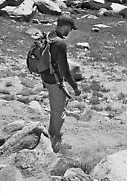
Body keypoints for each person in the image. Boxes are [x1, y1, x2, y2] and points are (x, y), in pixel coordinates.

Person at [39, 14, 82, 151]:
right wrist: (75, 87)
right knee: (58, 111)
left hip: (46, 77)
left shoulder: (50, 36)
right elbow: (64, 69)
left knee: (57, 107)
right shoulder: (60, 43)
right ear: (65, 26)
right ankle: (53, 141)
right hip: (55, 80)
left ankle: (53, 132)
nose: (70, 32)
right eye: (70, 28)